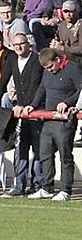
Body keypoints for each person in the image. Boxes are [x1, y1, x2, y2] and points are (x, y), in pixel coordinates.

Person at [22, 47, 82, 201]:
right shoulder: (47, 72)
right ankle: (46, 187)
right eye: (45, 68)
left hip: (64, 120)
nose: (49, 70)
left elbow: (80, 89)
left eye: (50, 67)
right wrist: (33, 105)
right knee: (45, 154)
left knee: (65, 156)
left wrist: (68, 102)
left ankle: (65, 190)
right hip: (48, 118)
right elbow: (42, 88)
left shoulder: (73, 68)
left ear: (57, 60)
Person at [0, 33, 43, 196]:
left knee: (37, 149)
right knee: (20, 147)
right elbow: (2, 81)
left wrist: (29, 105)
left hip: (36, 109)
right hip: (21, 110)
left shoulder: (36, 60)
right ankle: (19, 185)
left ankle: (37, 185)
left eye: (22, 44)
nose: (19, 47)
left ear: (28, 44)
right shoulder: (12, 60)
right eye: (15, 45)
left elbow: (36, 85)